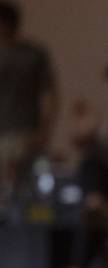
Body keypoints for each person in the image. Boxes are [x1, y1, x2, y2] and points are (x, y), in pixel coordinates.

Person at [0, 0, 57, 191]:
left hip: (24, 131)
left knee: (24, 188)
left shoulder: (32, 54)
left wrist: (44, 131)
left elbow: (49, 94)